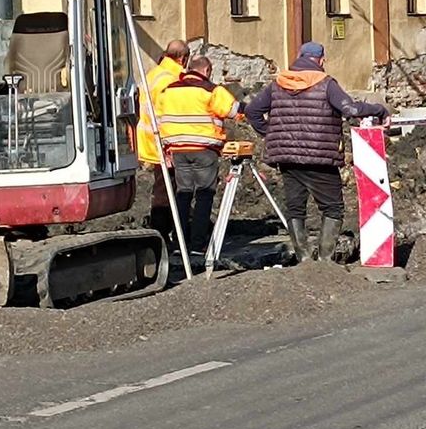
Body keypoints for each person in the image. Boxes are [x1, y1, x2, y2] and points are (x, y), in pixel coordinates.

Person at [245, 42, 390, 263]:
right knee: (333, 208)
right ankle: (325, 262)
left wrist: (271, 134)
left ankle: (304, 260)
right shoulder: (326, 83)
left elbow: (252, 110)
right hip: (320, 158)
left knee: (295, 208)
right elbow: (350, 109)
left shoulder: (277, 84)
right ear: (321, 60)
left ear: (299, 57)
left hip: (287, 158)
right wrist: (378, 109)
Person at [155, 56, 240, 260]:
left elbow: (159, 118)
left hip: (178, 149)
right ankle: (197, 244)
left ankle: (179, 243)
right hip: (204, 149)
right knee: (204, 195)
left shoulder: (168, 90)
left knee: (183, 194)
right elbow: (233, 110)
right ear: (207, 70)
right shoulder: (211, 90)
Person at [137, 40, 189, 239]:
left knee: (164, 187)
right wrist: (169, 145)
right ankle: (162, 231)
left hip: (148, 140)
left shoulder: (152, 74)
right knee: (167, 190)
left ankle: (165, 229)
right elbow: (168, 115)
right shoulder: (172, 79)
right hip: (164, 142)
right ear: (183, 58)